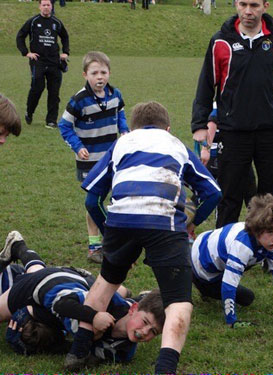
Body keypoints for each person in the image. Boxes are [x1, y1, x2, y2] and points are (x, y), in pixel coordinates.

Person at [65, 101, 221, 373]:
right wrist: (190, 224)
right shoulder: (175, 145)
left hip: (120, 220)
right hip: (164, 221)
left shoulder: (122, 143)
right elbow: (213, 193)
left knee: (105, 283)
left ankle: (76, 354)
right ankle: (165, 369)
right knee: (179, 302)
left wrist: (110, 236)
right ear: (168, 129)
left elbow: (92, 200)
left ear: (133, 128)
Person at [191, 0, 273, 262]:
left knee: (272, 197)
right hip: (232, 132)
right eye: (243, 4)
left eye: (254, 4)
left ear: (265, 5)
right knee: (228, 196)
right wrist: (199, 125)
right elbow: (206, 85)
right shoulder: (221, 41)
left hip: (271, 132)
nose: (248, 11)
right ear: (235, 5)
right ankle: (220, 254)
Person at [0, 231, 164, 363]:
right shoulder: (105, 303)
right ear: (134, 308)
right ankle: (18, 252)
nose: (144, 332)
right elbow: (60, 306)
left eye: (153, 332)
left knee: (37, 272)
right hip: (43, 287)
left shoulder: (124, 352)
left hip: (71, 282)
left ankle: (18, 246)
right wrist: (94, 316)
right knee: (36, 281)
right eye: (145, 323)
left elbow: (86, 351)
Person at [58, 51, 129, 264]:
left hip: (111, 159)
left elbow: (121, 114)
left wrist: (124, 130)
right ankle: (95, 245)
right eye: (94, 73)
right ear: (85, 75)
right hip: (89, 161)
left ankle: (111, 240)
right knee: (94, 202)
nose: (100, 77)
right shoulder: (78, 100)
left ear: (109, 73)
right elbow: (64, 125)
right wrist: (77, 146)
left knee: (108, 201)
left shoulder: (115, 94)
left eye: (103, 72)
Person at [191, 194, 273, 327]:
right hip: (200, 266)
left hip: (208, 249)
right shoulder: (242, 246)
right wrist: (231, 321)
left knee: (246, 296)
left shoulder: (270, 242)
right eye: (271, 232)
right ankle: (201, 285)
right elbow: (229, 284)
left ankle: (207, 288)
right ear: (257, 229)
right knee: (246, 297)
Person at [16, 0, 69, 129]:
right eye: (44, 5)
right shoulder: (33, 21)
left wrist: (65, 52)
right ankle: (29, 111)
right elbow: (20, 36)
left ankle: (51, 120)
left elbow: (65, 37)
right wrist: (26, 53)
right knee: (37, 88)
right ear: (40, 6)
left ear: (52, 6)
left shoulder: (56, 23)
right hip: (38, 61)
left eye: (48, 5)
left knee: (54, 92)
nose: (46, 7)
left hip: (54, 62)